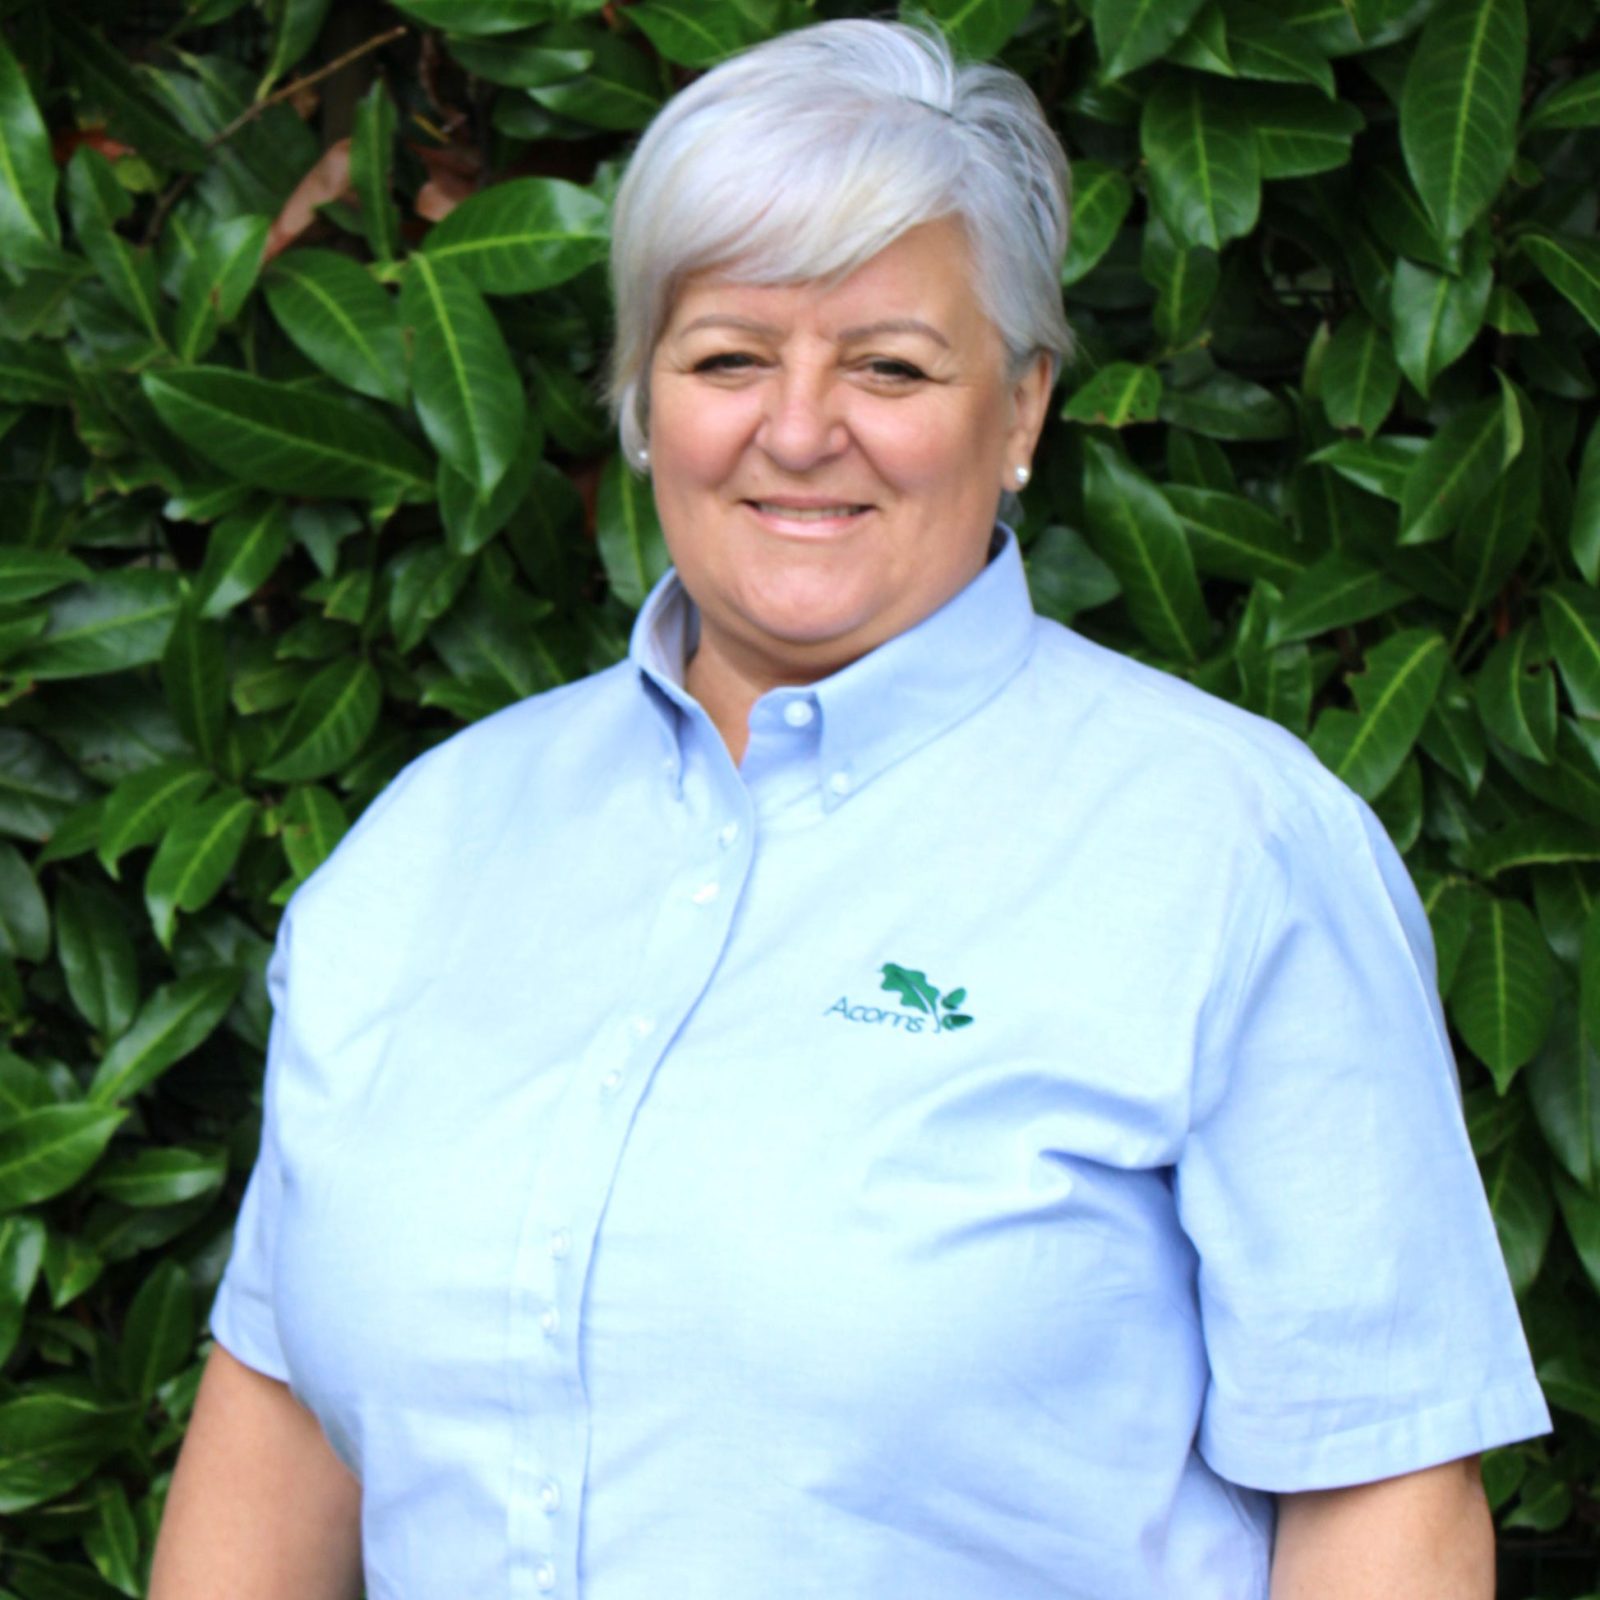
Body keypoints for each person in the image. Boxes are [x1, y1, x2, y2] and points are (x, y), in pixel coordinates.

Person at [150, 19, 1550, 1600]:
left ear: (1019, 413)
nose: (800, 430)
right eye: (729, 356)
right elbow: (274, 1429)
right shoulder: (429, 843)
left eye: (889, 365)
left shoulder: (1234, 853)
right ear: (640, 397)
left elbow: (1389, 1514)